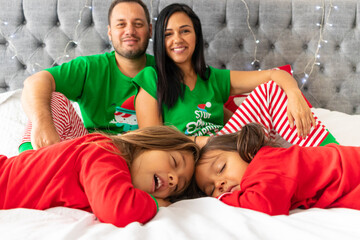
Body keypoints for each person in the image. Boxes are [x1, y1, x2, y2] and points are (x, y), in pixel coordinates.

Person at [133, 3, 338, 148]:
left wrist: (294, 94)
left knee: (272, 89)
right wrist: (203, 141)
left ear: (196, 35)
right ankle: (335, 156)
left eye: (185, 31)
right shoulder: (152, 78)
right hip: (191, 155)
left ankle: (332, 154)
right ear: (160, 40)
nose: (177, 39)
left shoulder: (211, 78)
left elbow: (273, 76)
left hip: (225, 145)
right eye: (168, 34)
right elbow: (153, 142)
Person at [19, 0, 154, 152]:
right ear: (110, 32)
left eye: (138, 24)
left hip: (143, 155)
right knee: (52, 100)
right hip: (90, 153)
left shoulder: (164, 71)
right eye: (121, 24)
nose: (130, 31)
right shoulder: (90, 67)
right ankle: (26, 167)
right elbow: (34, 82)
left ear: (150, 30)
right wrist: (42, 123)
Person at [1, 125, 199, 227]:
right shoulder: (105, 151)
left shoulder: (112, 177)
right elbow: (118, 210)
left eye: (178, 186)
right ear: (149, 143)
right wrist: (156, 203)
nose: (173, 179)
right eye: (174, 162)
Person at [195, 123, 360, 215]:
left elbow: (264, 206)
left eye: (221, 168)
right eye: (210, 190)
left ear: (245, 150)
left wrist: (220, 199)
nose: (219, 184)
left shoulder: (267, 165)